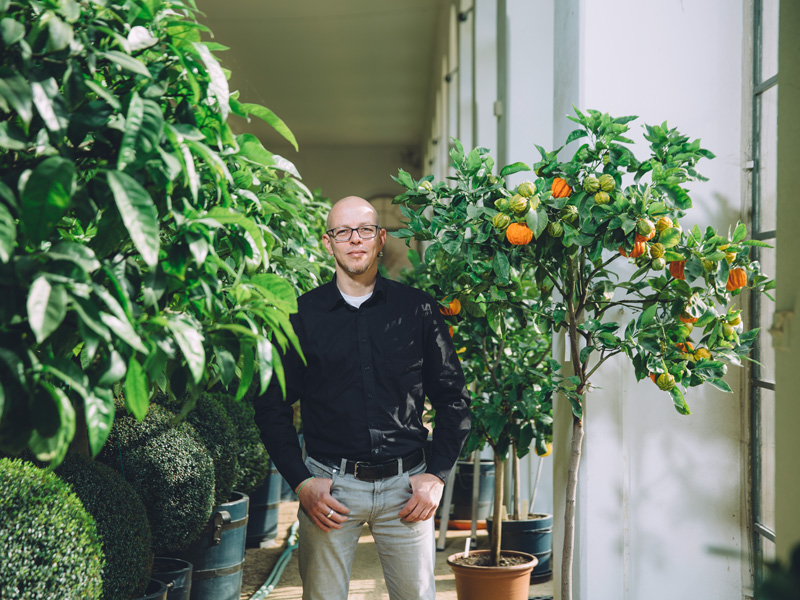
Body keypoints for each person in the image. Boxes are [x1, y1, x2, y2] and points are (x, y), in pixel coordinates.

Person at [254, 196, 471, 600]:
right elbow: (271, 406)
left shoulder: (418, 311)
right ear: (328, 242)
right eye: (343, 231)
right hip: (329, 491)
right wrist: (301, 484)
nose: (354, 239)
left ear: (380, 238)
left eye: (365, 230)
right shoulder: (300, 316)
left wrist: (436, 477)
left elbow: (454, 399)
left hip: (408, 490)